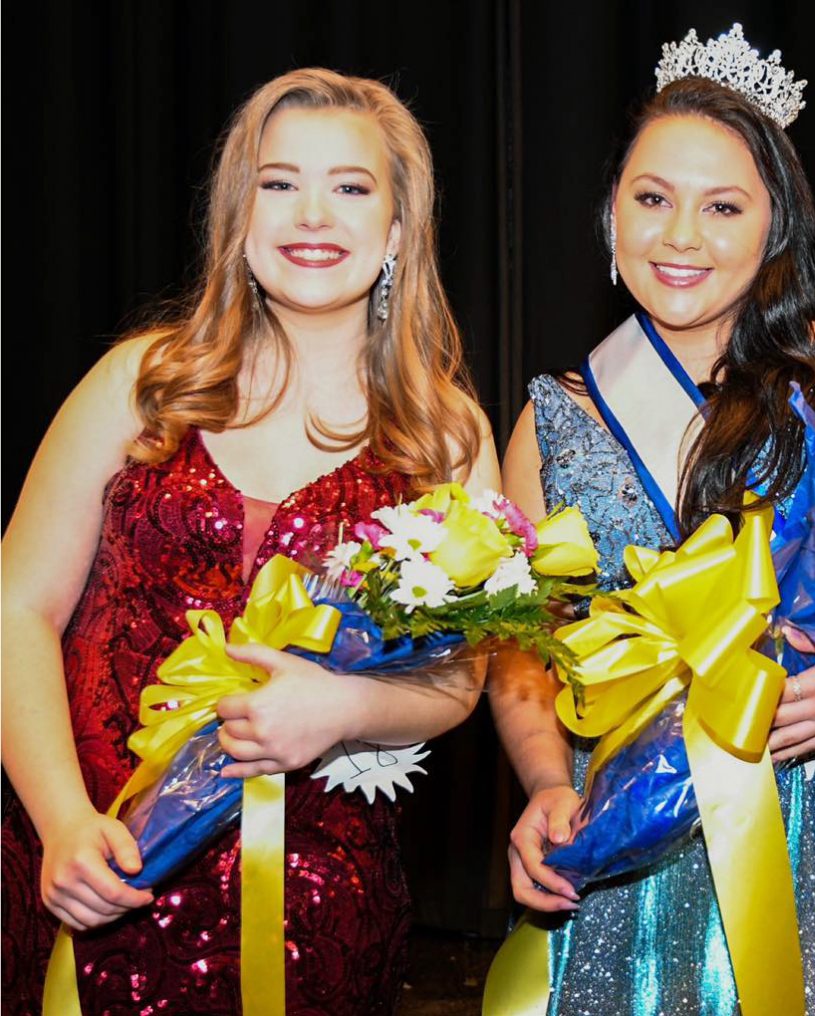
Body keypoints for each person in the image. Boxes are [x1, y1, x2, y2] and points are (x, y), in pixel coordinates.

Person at [489, 26, 815, 1016]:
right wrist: (544, 783)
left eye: (723, 206)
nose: (680, 237)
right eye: (652, 199)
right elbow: (525, 651)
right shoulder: (550, 421)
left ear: (776, 227)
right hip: (634, 838)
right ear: (610, 216)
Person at [1, 67, 499, 1014]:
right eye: (279, 182)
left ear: (398, 230)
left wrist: (345, 705)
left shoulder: (444, 437)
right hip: (88, 866)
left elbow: (461, 682)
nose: (312, 214)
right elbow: (17, 607)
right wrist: (61, 818)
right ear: (239, 213)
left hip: (316, 901)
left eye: (350, 187)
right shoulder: (141, 384)